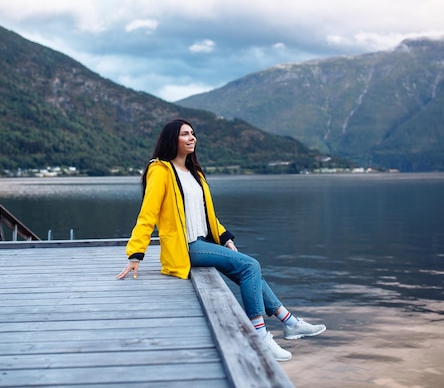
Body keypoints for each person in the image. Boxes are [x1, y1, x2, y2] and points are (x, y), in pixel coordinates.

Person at [116, 118, 326, 361]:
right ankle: (260, 336)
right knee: (250, 266)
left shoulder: (194, 173)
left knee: (249, 271)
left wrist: (225, 238)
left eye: (193, 133)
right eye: (185, 134)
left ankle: (289, 322)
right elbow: (147, 214)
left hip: (203, 243)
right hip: (184, 248)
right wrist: (135, 253)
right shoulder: (160, 171)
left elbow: (208, 216)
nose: (192, 137)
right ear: (172, 139)